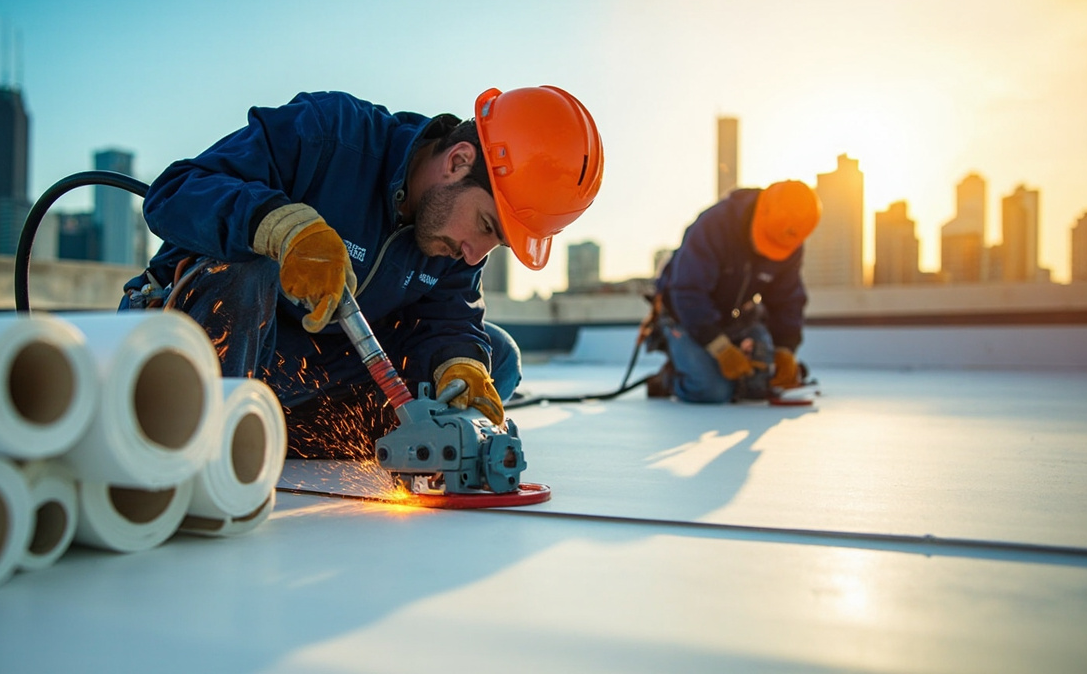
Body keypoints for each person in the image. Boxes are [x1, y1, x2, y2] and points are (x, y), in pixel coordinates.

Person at [120, 86, 603, 457]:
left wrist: (461, 365)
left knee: (496, 358)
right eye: (485, 226)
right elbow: (176, 192)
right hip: (213, 339)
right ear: (458, 161)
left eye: (493, 244)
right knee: (246, 268)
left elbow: (449, 320)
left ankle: (275, 435)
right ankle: (198, 440)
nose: (475, 254)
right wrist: (277, 227)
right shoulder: (331, 135)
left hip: (310, 382)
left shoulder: (453, 246)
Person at [642, 180, 821, 403]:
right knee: (712, 390)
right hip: (684, 316)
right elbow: (688, 292)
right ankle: (668, 379)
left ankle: (743, 373)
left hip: (736, 318)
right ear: (760, 213)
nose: (766, 252)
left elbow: (788, 300)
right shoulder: (715, 225)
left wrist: (785, 348)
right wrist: (720, 347)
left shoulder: (788, 240)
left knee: (759, 384)